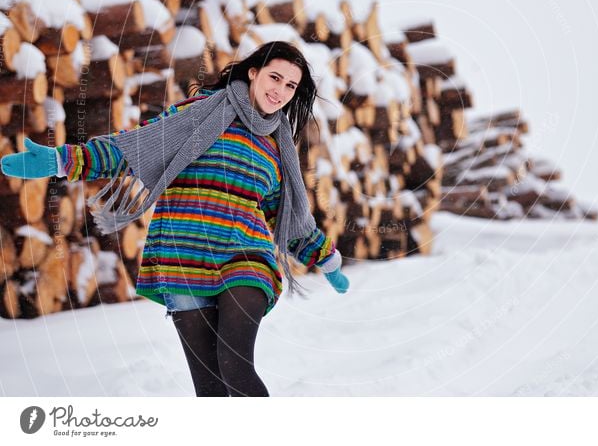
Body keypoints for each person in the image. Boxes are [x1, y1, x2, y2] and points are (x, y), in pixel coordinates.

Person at [1, 41, 349, 397]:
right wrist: (63, 160)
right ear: (254, 72)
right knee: (209, 388)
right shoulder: (197, 114)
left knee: (234, 363)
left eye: (290, 86)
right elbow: (132, 149)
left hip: (246, 256)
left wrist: (326, 257)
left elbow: (285, 219)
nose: (280, 91)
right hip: (184, 255)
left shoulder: (277, 147)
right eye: (275, 78)